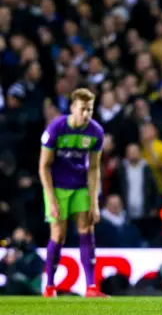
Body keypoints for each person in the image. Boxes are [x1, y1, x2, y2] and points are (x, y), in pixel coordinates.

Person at [39, 88, 107, 298]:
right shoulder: (56, 128)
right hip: (57, 187)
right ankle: (50, 287)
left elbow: (95, 168)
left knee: (87, 230)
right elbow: (44, 166)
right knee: (58, 235)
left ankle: (91, 288)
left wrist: (94, 201)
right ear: (72, 108)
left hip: (81, 187)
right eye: (82, 109)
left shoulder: (96, 132)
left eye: (89, 109)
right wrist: (51, 200)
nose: (86, 114)